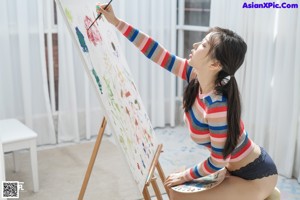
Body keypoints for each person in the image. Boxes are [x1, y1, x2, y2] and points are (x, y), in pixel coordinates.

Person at [96, 3, 279, 200]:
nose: (195, 45)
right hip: (231, 169)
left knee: (178, 194)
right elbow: (157, 53)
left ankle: (263, 193)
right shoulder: (194, 76)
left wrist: (184, 176)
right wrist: (116, 22)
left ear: (215, 64)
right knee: (174, 190)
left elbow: (218, 160)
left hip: (256, 176)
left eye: (203, 45)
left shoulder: (217, 106)